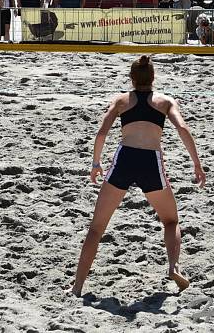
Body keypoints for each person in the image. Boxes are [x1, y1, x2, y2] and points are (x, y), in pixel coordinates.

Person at [71, 55, 206, 297]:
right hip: (150, 160)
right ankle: (174, 267)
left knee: (96, 228)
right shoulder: (165, 102)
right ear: (153, 78)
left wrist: (96, 162)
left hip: (125, 158)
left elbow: (102, 132)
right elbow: (183, 129)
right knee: (171, 221)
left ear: (131, 79)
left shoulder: (122, 100)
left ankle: (78, 286)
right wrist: (196, 163)